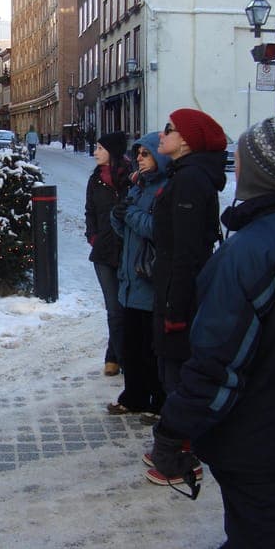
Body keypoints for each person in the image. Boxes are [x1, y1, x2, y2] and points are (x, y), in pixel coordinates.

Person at [149, 117, 275, 549]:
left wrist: (173, 429)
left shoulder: (246, 255)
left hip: (256, 439)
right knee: (273, 522)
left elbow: (216, 363)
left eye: (239, 159)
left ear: (254, 171)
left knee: (264, 532)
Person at [151, 109, 226, 401]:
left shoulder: (190, 180)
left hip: (180, 294)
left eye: (169, 129)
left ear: (186, 141)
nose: (162, 134)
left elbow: (186, 249)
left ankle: (180, 442)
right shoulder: (183, 175)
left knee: (176, 374)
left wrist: (175, 310)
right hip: (174, 288)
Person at [107, 133, 168, 417]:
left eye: (147, 153)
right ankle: (134, 395)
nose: (140, 159)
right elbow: (127, 230)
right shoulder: (139, 186)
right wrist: (117, 217)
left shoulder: (165, 188)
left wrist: (129, 214)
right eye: (139, 154)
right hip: (130, 277)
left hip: (149, 279)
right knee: (131, 346)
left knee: (149, 347)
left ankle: (157, 400)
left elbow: (158, 230)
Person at [84, 131, 130, 376]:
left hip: (127, 251)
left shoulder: (131, 178)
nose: (95, 153)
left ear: (112, 151)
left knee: (127, 308)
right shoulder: (95, 179)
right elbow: (89, 211)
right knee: (114, 309)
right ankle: (121, 360)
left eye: (100, 149)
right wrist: (93, 236)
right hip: (102, 252)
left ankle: (115, 355)